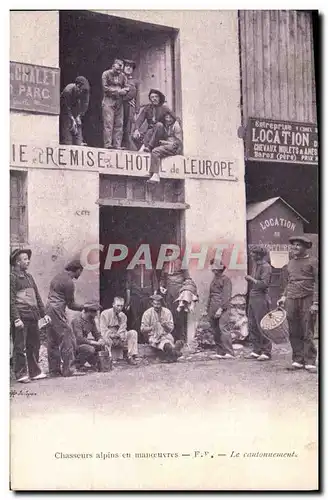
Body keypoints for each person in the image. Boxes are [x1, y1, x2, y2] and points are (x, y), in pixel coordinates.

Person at [277, 236, 318, 373]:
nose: (294, 247)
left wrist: (316, 303)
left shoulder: (313, 262)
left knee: (307, 330)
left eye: (298, 245)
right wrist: (283, 296)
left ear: (306, 247)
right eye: (293, 245)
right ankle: (298, 360)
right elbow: (289, 282)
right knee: (294, 330)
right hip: (291, 299)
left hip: (307, 299)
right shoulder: (290, 263)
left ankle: (310, 361)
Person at [10, 248, 48, 383]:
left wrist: (43, 314)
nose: (28, 261)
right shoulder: (12, 278)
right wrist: (16, 318)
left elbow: (37, 297)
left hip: (32, 316)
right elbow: (10, 300)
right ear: (17, 262)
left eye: (27, 258)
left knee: (34, 345)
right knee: (20, 347)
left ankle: (35, 372)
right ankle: (20, 374)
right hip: (21, 317)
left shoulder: (29, 277)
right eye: (25, 259)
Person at [45, 259, 85, 377]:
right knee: (67, 337)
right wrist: (84, 307)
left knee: (52, 340)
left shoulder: (58, 276)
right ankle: (69, 369)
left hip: (48, 308)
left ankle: (54, 370)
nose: (80, 274)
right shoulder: (69, 282)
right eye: (80, 272)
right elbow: (71, 304)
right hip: (57, 310)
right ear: (77, 270)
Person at [244, 246, 273, 361]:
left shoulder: (266, 267)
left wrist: (251, 279)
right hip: (253, 297)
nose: (251, 255)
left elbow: (264, 284)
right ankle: (256, 350)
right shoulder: (256, 265)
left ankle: (266, 351)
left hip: (261, 298)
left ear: (259, 255)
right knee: (252, 324)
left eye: (253, 253)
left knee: (263, 325)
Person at [141, 294, 183, 362]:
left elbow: (171, 329)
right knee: (167, 346)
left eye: (158, 304)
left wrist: (165, 325)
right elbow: (142, 329)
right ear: (152, 303)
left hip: (166, 335)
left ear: (161, 304)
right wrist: (152, 327)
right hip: (153, 337)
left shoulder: (167, 312)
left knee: (169, 342)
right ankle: (176, 353)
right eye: (154, 304)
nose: (156, 306)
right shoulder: (147, 313)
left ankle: (173, 354)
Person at [205, 259, 234, 359]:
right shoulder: (214, 279)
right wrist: (208, 309)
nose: (212, 269)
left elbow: (226, 296)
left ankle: (229, 352)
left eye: (214, 267)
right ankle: (220, 352)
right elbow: (211, 295)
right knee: (215, 330)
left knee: (223, 329)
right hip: (213, 307)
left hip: (222, 308)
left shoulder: (226, 280)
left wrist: (221, 309)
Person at [159, 251, 190, 341]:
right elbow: (162, 278)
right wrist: (161, 286)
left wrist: (184, 291)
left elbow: (187, 278)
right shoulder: (165, 265)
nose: (169, 257)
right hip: (169, 294)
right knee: (170, 315)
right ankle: (172, 337)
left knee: (180, 316)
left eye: (170, 255)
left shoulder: (181, 264)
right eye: (167, 255)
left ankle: (181, 339)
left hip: (179, 294)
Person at [99, 297, 138, 365]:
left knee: (133, 333)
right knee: (105, 338)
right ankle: (109, 358)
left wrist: (120, 335)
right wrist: (111, 335)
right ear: (113, 304)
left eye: (121, 306)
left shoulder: (123, 316)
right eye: (118, 305)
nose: (119, 308)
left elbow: (123, 328)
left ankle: (130, 356)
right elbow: (103, 329)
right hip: (109, 337)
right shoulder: (104, 314)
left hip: (119, 337)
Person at [147, 110, 183, 183]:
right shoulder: (165, 126)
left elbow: (178, 143)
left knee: (155, 151)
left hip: (175, 147)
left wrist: (165, 143)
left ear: (173, 118)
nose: (168, 119)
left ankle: (156, 175)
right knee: (151, 131)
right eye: (166, 117)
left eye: (170, 117)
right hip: (167, 146)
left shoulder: (176, 126)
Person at [126, 262, 158, 342]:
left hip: (147, 296)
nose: (142, 259)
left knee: (147, 318)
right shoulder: (132, 268)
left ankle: (147, 340)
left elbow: (155, 284)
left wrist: (154, 299)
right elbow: (128, 286)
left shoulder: (151, 268)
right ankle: (137, 341)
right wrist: (128, 301)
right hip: (135, 295)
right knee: (135, 318)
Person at [102, 58, 130, 149]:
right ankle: (108, 144)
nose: (119, 71)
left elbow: (127, 87)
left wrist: (124, 91)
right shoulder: (106, 74)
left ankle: (117, 145)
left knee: (119, 123)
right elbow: (105, 88)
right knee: (108, 123)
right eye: (117, 69)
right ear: (113, 66)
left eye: (120, 70)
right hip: (108, 101)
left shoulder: (123, 76)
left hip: (119, 102)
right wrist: (118, 91)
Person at [71, 302, 106, 371]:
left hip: (83, 344)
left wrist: (100, 339)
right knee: (90, 349)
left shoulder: (91, 321)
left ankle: (95, 363)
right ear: (87, 312)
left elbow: (96, 334)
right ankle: (77, 364)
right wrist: (95, 343)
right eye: (94, 312)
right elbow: (79, 339)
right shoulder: (77, 321)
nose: (96, 314)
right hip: (74, 345)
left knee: (100, 345)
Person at [60, 76, 90, 146]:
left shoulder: (85, 91)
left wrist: (79, 116)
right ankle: (67, 142)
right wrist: (72, 119)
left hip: (76, 108)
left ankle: (79, 142)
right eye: (80, 90)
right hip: (66, 108)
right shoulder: (68, 90)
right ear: (77, 86)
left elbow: (85, 105)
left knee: (78, 125)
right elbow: (66, 107)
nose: (81, 92)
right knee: (68, 124)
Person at [122, 59, 139, 150]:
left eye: (131, 67)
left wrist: (136, 110)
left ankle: (130, 148)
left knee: (129, 127)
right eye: (127, 66)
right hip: (121, 106)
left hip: (130, 107)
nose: (129, 68)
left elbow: (137, 97)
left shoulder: (135, 81)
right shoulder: (119, 78)